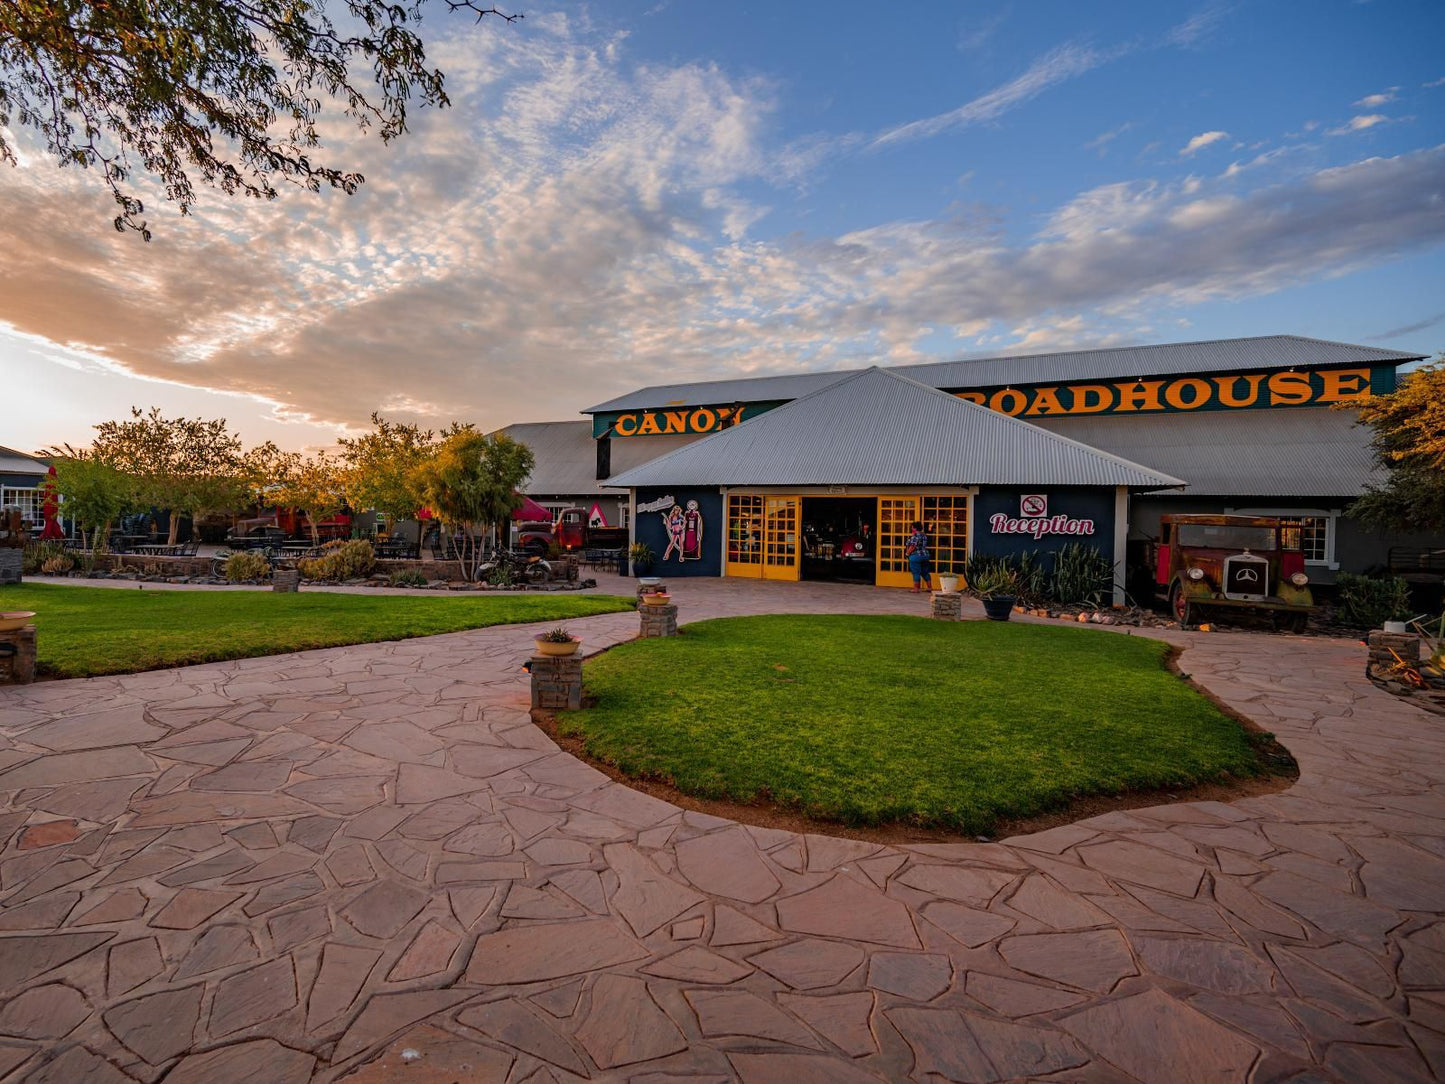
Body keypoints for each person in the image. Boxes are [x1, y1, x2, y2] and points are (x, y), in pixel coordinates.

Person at [905, 520, 930, 592]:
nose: (911, 528)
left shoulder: (915, 535)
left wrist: (907, 553)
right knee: (925, 572)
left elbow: (913, 546)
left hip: (916, 556)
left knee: (916, 572)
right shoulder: (924, 535)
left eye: (912, 527)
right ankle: (929, 587)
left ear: (915, 528)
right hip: (925, 555)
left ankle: (916, 588)